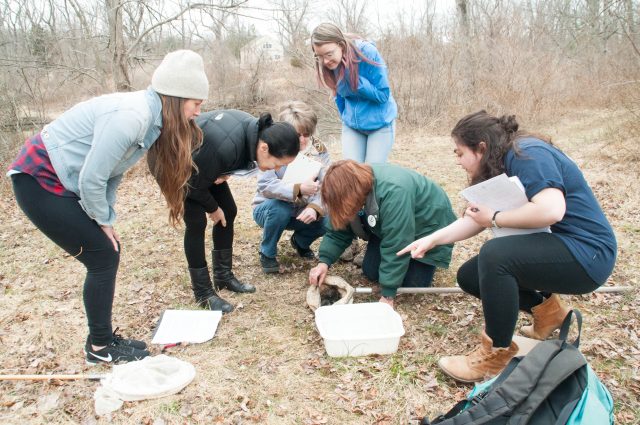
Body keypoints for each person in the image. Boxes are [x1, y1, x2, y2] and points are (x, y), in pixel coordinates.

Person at [8, 49, 209, 364]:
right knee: (103, 255)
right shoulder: (134, 116)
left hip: (61, 177)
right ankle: (99, 349)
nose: (198, 111)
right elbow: (92, 177)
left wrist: (106, 218)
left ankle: (101, 341)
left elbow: (112, 174)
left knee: (106, 251)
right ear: (177, 97)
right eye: (196, 104)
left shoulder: (151, 121)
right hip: (39, 177)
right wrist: (102, 221)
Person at [398, 110, 617, 383]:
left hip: (588, 254)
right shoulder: (500, 163)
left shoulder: (528, 154)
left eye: (459, 153)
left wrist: (493, 218)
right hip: (561, 245)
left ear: (481, 147)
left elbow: (551, 210)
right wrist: (431, 239)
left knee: (495, 256)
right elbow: (475, 219)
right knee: (471, 275)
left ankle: (496, 353)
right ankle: (549, 314)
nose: (458, 162)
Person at [183, 110, 300, 312]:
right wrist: (212, 208)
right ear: (264, 149)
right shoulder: (227, 147)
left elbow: (220, 159)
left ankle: (223, 276)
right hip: (180, 168)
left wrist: (223, 172)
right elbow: (193, 185)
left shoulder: (255, 133)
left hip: (203, 163)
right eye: (277, 163)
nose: (277, 168)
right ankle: (202, 292)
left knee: (228, 210)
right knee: (196, 222)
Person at [308, 160, 457, 308]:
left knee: (415, 284)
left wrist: (388, 295)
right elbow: (338, 230)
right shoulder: (354, 189)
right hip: (394, 224)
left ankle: (427, 260)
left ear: (352, 194)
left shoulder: (394, 192)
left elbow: (397, 242)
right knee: (371, 271)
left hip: (428, 226)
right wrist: (324, 262)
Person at [252, 101, 331, 273]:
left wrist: (315, 207)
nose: (302, 140)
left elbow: (326, 184)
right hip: (270, 208)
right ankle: (267, 252)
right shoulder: (272, 144)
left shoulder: (319, 149)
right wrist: (299, 189)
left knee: (329, 219)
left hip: (302, 210)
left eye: (306, 134)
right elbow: (266, 185)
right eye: (297, 135)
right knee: (280, 208)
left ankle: (301, 242)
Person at [311, 22, 397, 164]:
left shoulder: (367, 52)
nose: (325, 61)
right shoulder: (330, 63)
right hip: (352, 126)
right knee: (351, 173)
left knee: (371, 174)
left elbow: (383, 95)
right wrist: (346, 117)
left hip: (380, 125)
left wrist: (355, 81)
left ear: (341, 46)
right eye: (319, 56)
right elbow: (338, 96)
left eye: (328, 54)